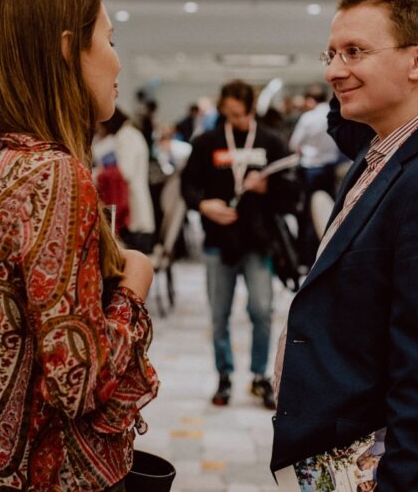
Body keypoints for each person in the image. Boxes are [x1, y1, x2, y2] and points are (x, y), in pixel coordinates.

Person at [0, 0, 159, 492]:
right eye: (109, 40)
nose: (118, 62)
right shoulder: (52, 174)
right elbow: (78, 383)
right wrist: (134, 284)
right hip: (61, 490)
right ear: (67, 48)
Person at [271, 0, 418, 492]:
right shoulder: (387, 147)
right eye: (331, 53)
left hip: (376, 479)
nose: (332, 70)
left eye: (355, 52)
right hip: (335, 453)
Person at [182, 79, 297, 409]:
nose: (236, 120)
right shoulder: (207, 142)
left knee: (261, 309)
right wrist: (204, 206)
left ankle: (260, 375)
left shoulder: (272, 142)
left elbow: (292, 193)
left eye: (241, 114)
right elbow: (188, 186)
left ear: (251, 109)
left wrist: (265, 189)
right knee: (219, 314)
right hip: (218, 241)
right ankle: (224, 374)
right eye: (230, 114)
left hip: (258, 240)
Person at [289, 84, 341, 268]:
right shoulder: (336, 115)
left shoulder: (308, 118)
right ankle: (326, 255)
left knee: (308, 215)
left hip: (310, 170)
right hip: (329, 170)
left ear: (310, 100)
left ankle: (308, 258)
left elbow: (294, 143)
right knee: (330, 213)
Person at [94, 106, 156, 253]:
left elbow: (124, 171)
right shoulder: (122, 136)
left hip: (134, 212)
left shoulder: (128, 136)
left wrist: (96, 174)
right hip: (129, 206)